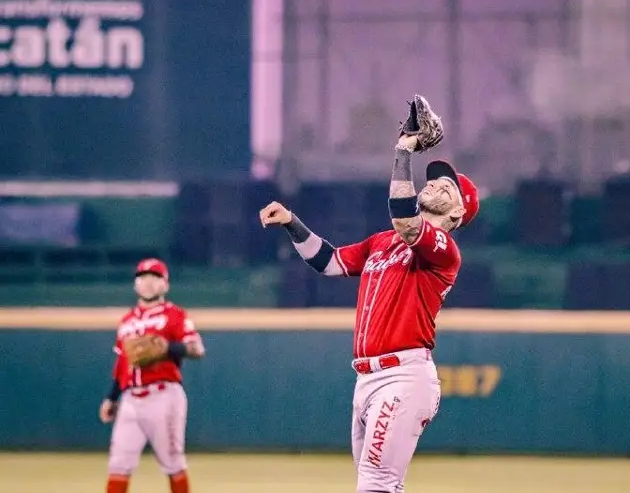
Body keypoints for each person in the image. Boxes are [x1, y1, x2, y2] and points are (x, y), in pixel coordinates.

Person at [259, 95, 479, 493]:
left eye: (447, 186)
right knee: (381, 487)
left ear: (459, 213)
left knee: (375, 486)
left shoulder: (444, 250)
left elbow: (406, 220)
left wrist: (403, 151)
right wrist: (292, 223)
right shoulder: (382, 242)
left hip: (403, 377)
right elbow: (329, 261)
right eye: (434, 179)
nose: (434, 184)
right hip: (366, 379)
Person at [99, 258, 205, 493]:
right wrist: (111, 397)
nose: (148, 282)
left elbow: (197, 348)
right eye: (142, 277)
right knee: (118, 464)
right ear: (135, 284)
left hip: (163, 395)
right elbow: (123, 363)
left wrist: (168, 347)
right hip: (130, 399)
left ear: (165, 285)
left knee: (173, 462)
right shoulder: (127, 321)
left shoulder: (175, 315)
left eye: (155, 277)